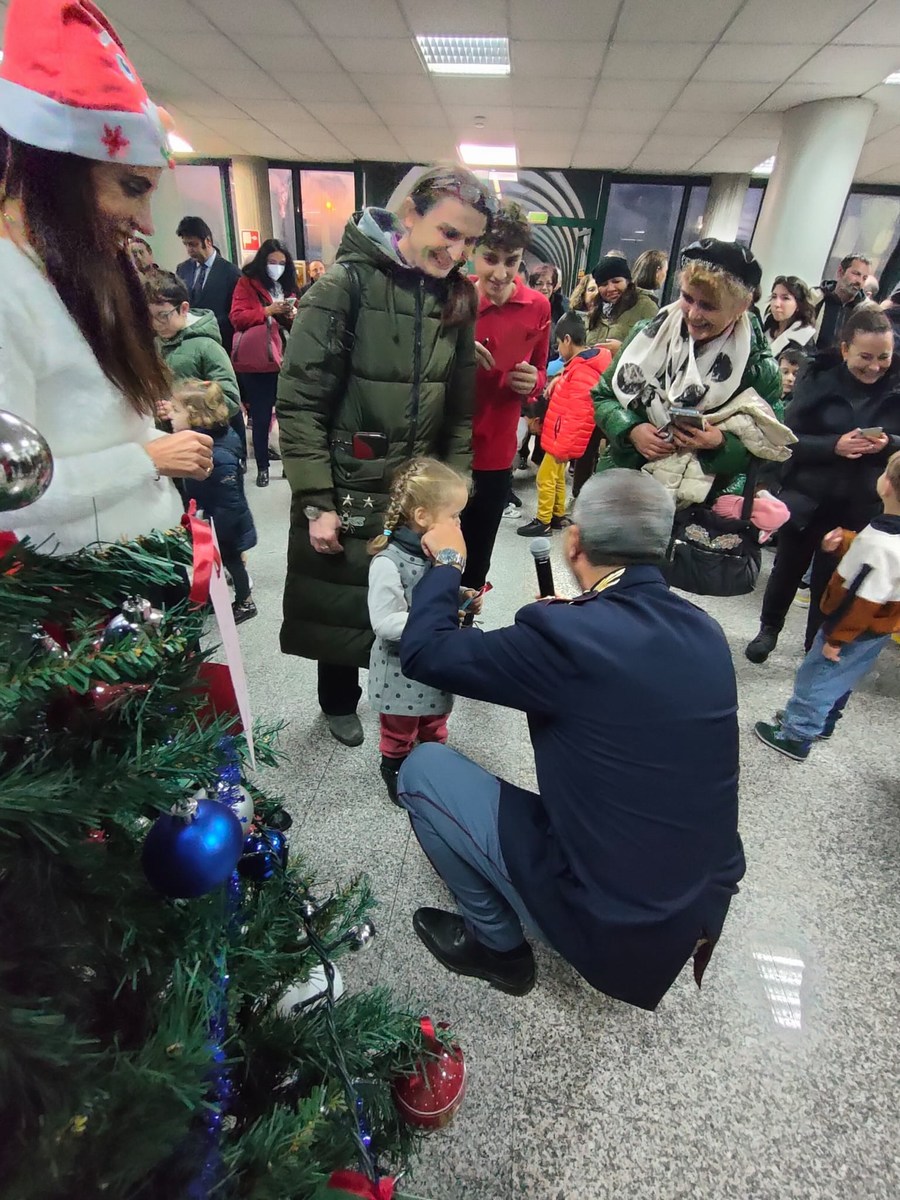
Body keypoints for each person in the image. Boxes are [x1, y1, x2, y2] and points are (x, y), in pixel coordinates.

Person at [394, 469, 745, 1007]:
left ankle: (499, 949)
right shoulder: (705, 631)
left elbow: (424, 653)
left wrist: (447, 562)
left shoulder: (567, 638)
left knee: (422, 769)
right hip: (694, 903)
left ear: (574, 540)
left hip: (610, 921)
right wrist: (577, 620)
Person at [277, 166, 495, 748]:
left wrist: (456, 491)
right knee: (343, 592)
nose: (457, 252)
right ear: (410, 215)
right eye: (448, 233)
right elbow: (300, 404)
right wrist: (315, 501)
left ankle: (397, 697)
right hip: (349, 478)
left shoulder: (457, 296)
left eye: (470, 242)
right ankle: (337, 701)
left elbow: (458, 411)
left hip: (415, 490)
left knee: (404, 592)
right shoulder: (343, 286)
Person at [0, 0, 212, 556]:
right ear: (59, 175)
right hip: (67, 600)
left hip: (128, 582)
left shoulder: (72, 274)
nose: (145, 225)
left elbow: (97, 422)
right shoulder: (7, 288)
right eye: (132, 188)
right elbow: (11, 491)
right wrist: (145, 460)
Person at [745, 307, 900, 662]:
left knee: (834, 580)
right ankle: (768, 629)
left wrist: (888, 443)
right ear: (845, 349)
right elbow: (789, 439)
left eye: (884, 357)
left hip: (861, 501)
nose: (875, 366)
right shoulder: (817, 378)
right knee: (788, 567)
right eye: (865, 357)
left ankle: (813, 643)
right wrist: (835, 446)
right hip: (809, 493)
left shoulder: (896, 383)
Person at [593, 238, 783, 507]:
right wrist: (631, 429)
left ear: (740, 306)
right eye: (687, 298)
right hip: (626, 487)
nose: (693, 314)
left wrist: (720, 444)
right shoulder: (646, 337)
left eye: (708, 306)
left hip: (706, 506)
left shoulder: (758, 367)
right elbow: (603, 395)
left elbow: (770, 443)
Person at [755, 450, 900, 760]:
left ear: (886, 485)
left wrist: (835, 637)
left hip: (850, 625)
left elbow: (862, 597)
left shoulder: (879, 544)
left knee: (816, 675)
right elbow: (880, 567)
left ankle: (796, 734)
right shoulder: (888, 531)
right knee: (844, 676)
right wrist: (848, 541)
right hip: (880, 626)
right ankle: (825, 721)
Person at [366, 458, 473, 802]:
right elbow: (384, 622)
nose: (459, 523)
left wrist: (459, 596)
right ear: (423, 517)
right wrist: (436, 618)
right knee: (399, 731)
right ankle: (395, 770)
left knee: (434, 723)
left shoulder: (435, 554)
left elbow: (433, 592)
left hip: (434, 666)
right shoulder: (387, 562)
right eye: (454, 515)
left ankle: (433, 766)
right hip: (400, 672)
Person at [462, 201, 551, 592]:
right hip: (449, 444)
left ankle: (464, 628)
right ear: (472, 253)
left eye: (511, 261)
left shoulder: (538, 306)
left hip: (497, 449)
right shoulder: (456, 298)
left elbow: (542, 371)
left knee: (479, 553)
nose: (499, 273)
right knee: (436, 548)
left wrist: (532, 382)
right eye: (490, 258)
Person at [171, 380, 258, 624]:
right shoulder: (205, 441)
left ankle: (245, 601)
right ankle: (211, 598)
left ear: (194, 415)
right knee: (208, 563)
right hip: (208, 516)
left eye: (176, 411)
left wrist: (216, 530)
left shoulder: (217, 456)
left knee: (232, 562)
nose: (171, 416)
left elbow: (229, 499)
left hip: (223, 523)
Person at [518, 312, 611, 536]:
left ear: (567, 340)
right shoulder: (579, 367)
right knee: (557, 477)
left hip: (562, 439)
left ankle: (543, 521)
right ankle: (558, 514)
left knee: (545, 478)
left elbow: (580, 414)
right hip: (561, 437)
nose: (558, 349)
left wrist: (563, 446)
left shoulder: (582, 372)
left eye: (559, 344)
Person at [143, 270, 246, 461]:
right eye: (149, 316)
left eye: (163, 315)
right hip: (166, 443)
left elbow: (230, 400)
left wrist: (181, 410)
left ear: (183, 308)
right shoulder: (156, 344)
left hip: (204, 447)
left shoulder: (206, 346)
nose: (156, 324)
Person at [230, 238, 299, 488]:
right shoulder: (247, 283)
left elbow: (293, 324)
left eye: (282, 263)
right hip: (259, 362)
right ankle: (262, 467)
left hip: (286, 359)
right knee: (260, 417)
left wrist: (291, 315)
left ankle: (289, 465)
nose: (277, 267)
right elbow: (237, 318)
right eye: (272, 262)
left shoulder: (289, 286)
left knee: (288, 416)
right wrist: (268, 311)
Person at [175, 216, 241, 352]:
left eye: (193, 244)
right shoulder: (183, 269)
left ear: (208, 241)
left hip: (219, 341)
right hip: (190, 342)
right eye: (186, 245)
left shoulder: (230, 272)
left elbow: (234, 312)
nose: (189, 250)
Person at [585, 255, 658, 355]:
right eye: (604, 284)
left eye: (616, 281)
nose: (611, 288)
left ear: (628, 281)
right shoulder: (595, 310)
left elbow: (657, 348)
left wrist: (622, 350)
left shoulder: (645, 306)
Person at [814, 253, 870, 349]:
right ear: (840, 271)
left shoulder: (867, 311)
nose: (859, 282)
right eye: (856, 274)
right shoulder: (816, 298)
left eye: (864, 278)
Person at [764, 274, 817, 355]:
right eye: (774, 297)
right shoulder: (768, 324)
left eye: (785, 298)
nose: (776, 304)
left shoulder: (802, 341)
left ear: (798, 305)